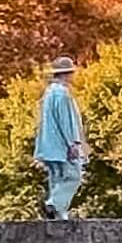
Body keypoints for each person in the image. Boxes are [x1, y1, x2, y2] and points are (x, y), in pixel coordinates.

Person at [34, 54, 87, 218]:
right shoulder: (62, 94)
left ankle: (58, 214)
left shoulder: (49, 93)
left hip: (48, 146)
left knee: (57, 179)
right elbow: (65, 121)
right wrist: (73, 143)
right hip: (61, 146)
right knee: (73, 176)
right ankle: (54, 205)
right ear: (67, 74)